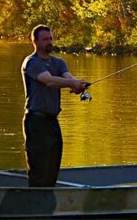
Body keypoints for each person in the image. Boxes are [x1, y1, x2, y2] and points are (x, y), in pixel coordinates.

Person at [21, 25, 89, 187]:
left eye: (50, 39)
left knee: (53, 166)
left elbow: (68, 77)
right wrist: (72, 84)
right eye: (45, 39)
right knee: (39, 168)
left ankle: (49, 197)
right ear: (35, 42)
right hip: (35, 121)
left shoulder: (58, 62)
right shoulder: (32, 62)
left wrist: (77, 85)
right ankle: (35, 199)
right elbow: (49, 80)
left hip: (52, 121)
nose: (49, 42)